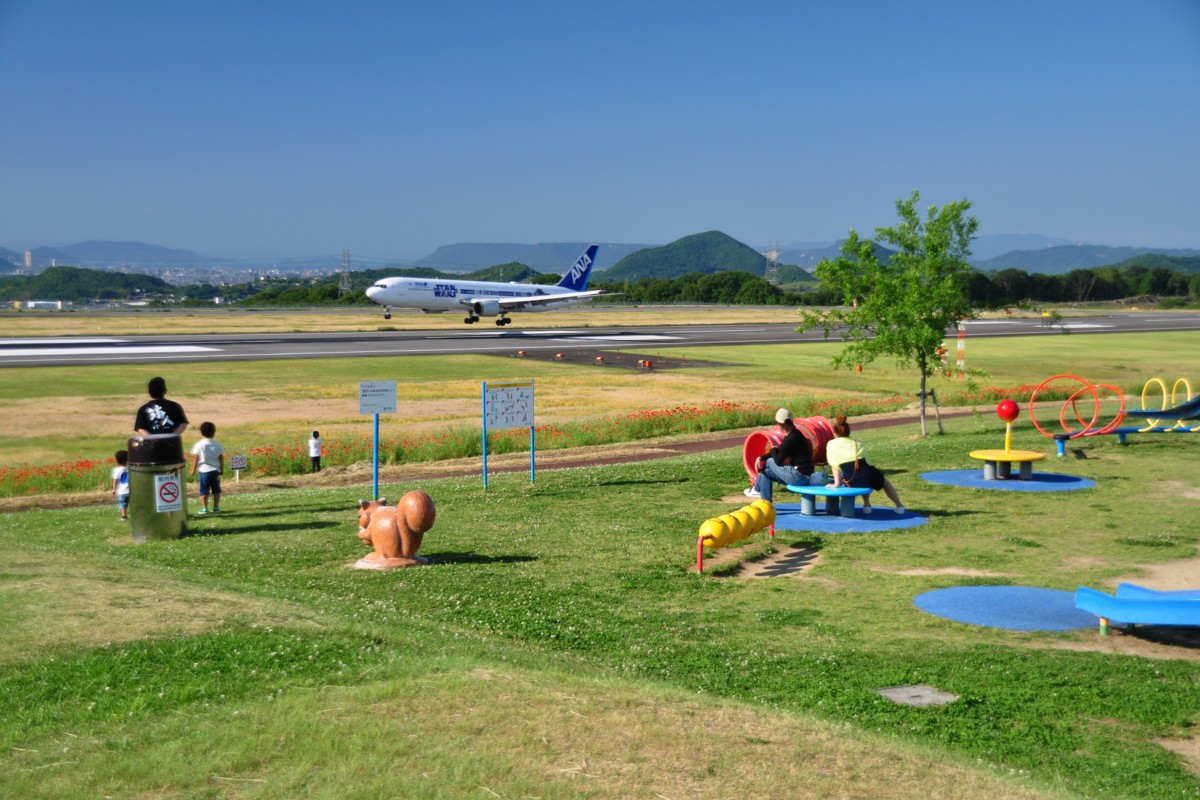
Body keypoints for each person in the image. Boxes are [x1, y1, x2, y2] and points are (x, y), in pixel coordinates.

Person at [825, 414, 904, 515]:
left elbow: (834, 465)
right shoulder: (857, 442)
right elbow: (868, 462)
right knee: (885, 483)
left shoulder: (831, 444)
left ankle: (867, 504)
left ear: (835, 433)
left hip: (851, 479)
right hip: (867, 473)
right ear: (848, 432)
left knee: (860, 478)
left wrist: (836, 484)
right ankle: (899, 506)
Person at [745, 408, 824, 501]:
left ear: (779, 424)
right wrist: (762, 457)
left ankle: (757, 489)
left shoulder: (791, 438)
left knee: (770, 461)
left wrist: (772, 449)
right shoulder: (794, 434)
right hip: (802, 476)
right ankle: (766, 503)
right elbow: (779, 450)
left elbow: (778, 460)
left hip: (799, 477)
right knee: (766, 472)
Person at [190, 421, 225, 514]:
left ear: (201, 432)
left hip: (204, 470)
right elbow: (221, 458)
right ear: (214, 432)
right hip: (216, 470)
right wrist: (222, 469)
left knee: (204, 490)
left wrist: (193, 469)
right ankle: (216, 507)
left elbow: (196, 458)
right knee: (216, 490)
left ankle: (204, 508)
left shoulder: (199, 445)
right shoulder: (218, 445)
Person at [111, 449, 130, 520]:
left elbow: (115, 481)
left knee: (122, 504)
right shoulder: (131, 468)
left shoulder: (117, 470)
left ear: (117, 460)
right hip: (131, 491)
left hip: (122, 491)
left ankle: (124, 516)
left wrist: (114, 489)